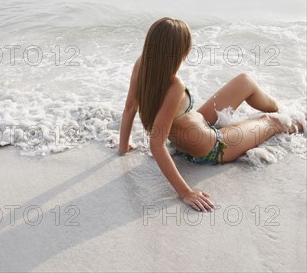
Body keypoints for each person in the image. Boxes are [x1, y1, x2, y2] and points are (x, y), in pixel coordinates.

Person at [118, 17, 303, 212]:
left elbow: (130, 108)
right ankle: (299, 120)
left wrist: (123, 148)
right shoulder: (175, 87)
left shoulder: (142, 64)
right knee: (273, 122)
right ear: (179, 52)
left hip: (193, 132)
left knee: (245, 81)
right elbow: (156, 144)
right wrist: (185, 193)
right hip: (214, 147)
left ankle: (282, 108)